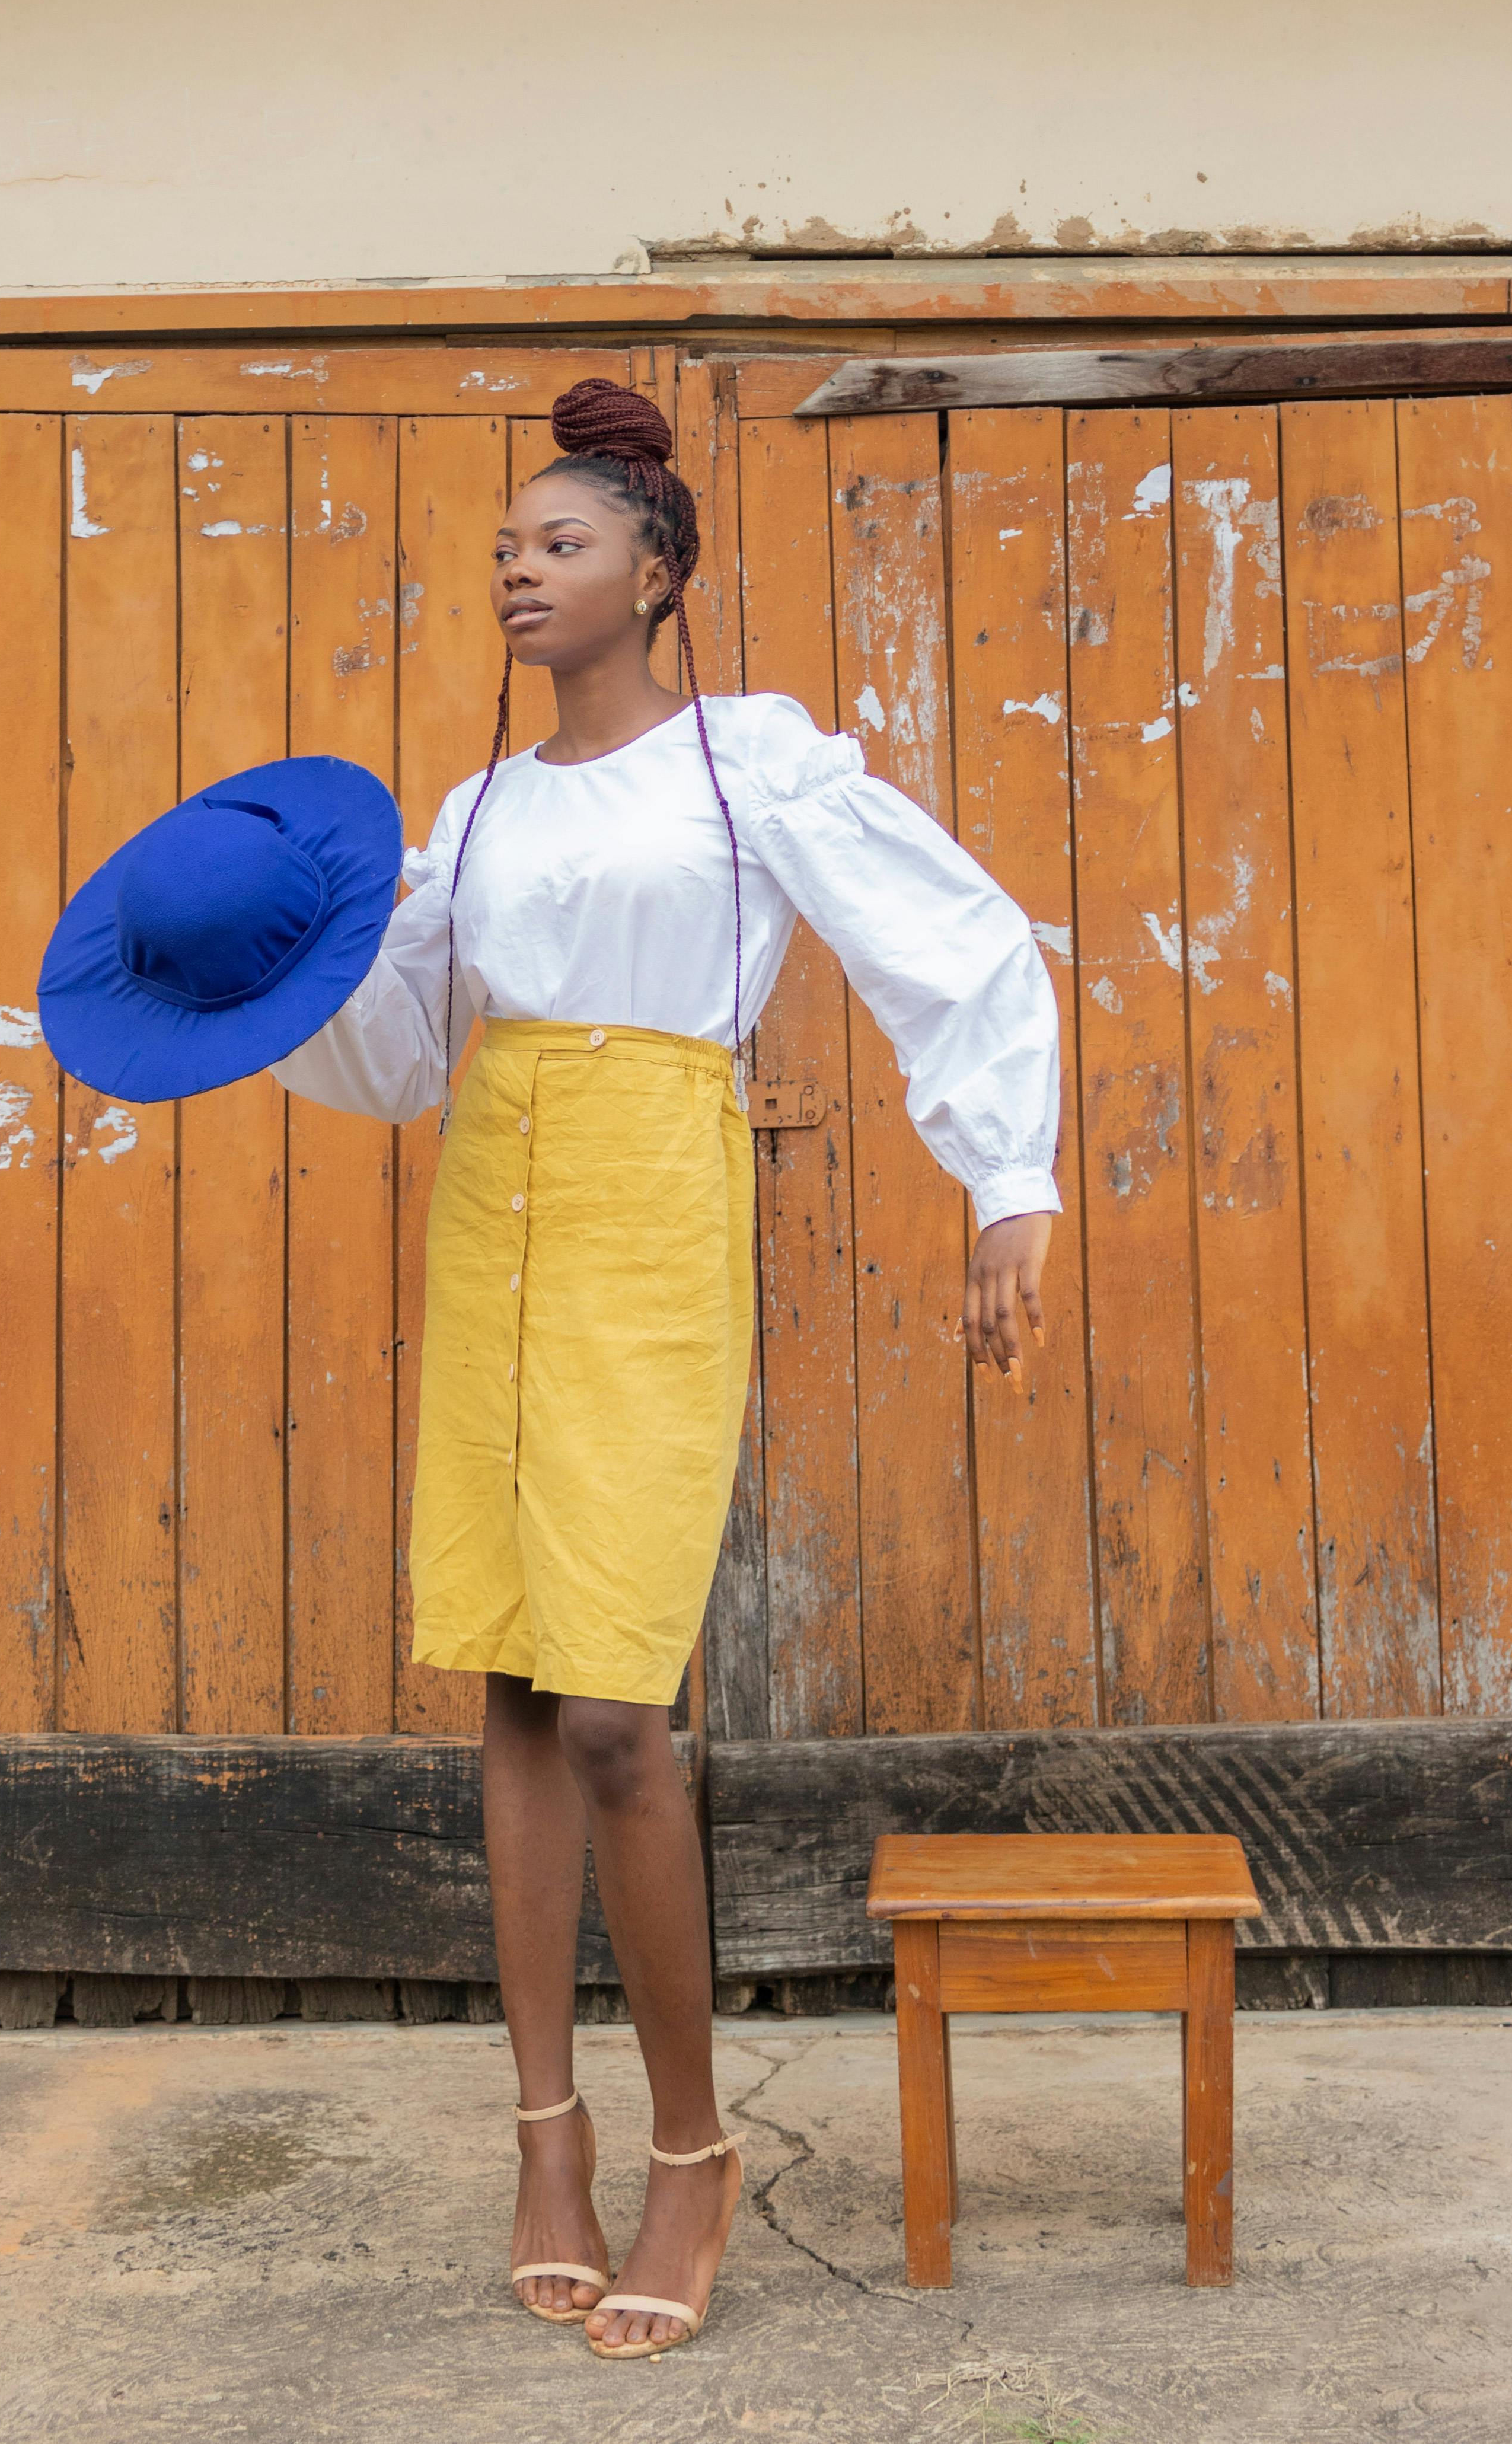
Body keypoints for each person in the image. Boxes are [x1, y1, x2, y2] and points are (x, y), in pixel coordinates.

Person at [267, 377, 1060, 2358]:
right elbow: (399, 1052)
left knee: (621, 1701)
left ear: (660, 573)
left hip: (647, 1204)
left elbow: (949, 944)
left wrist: (1008, 1181)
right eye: (509, 549)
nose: (519, 572)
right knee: (515, 1682)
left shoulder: (749, 766)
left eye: (561, 544)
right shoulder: (474, 806)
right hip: (496, 1201)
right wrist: (270, 979)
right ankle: (547, 2132)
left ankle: (690, 2149)